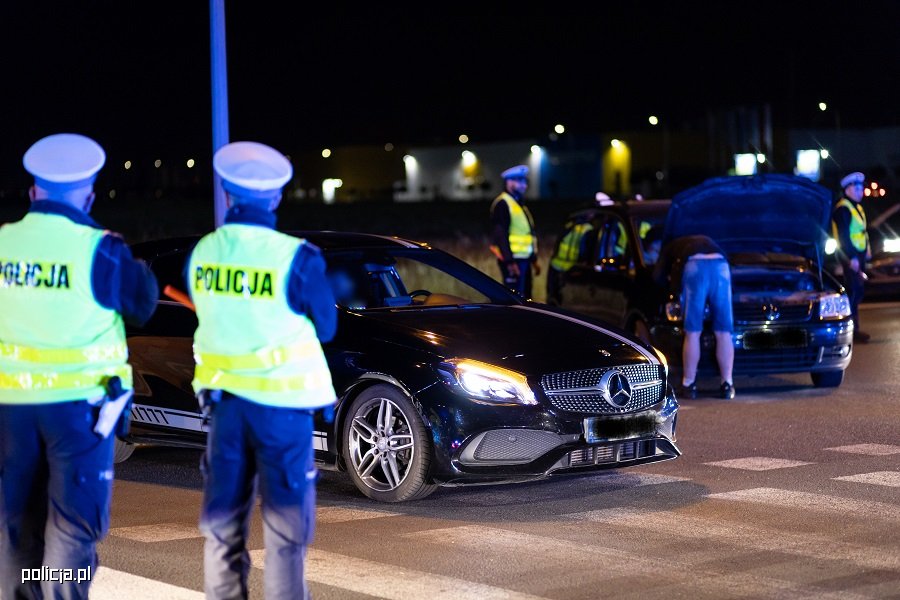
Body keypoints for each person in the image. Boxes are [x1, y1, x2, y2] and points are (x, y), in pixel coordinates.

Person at [0, 133, 158, 599]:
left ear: (33, 193)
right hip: (80, 416)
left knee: (16, 529)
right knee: (70, 532)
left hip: (11, 411)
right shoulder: (101, 251)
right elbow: (143, 302)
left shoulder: (4, 244)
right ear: (88, 195)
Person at [187, 141, 337, 599]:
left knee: (223, 529)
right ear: (275, 197)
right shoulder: (298, 256)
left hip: (227, 410)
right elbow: (327, 326)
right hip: (282, 413)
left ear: (229, 194)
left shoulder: (204, 252)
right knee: (286, 535)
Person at [653, 234, 734, 400]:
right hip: (721, 265)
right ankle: (727, 384)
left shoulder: (670, 246)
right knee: (724, 332)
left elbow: (657, 277)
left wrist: (671, 286)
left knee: (693, 332)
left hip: (695, 267)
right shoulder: (708, 240)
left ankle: (689, 384)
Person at [831, 171, 871, 343]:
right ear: (847, 189)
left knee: (857, 291)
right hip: (850, 257)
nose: (860, 190)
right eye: (857, 187)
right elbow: (844, 236)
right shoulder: (843, 209)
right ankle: (852, 331)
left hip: (858, 255)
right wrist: (852, 258)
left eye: (861, 187)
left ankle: (853, 329)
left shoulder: (857, 207)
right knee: (853, 292)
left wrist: (867, 250)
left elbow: (861, 231)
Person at [489, 164, 540, 297]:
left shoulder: (518, 204)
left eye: (525, 182)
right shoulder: (503, 203)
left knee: (525, 298)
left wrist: (533, 259)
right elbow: (500, 234)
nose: (525, 186)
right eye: (521, 182)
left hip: (523, 260)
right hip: (514, 261)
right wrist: (509, 262)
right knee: (515, 300)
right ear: (509, 182)